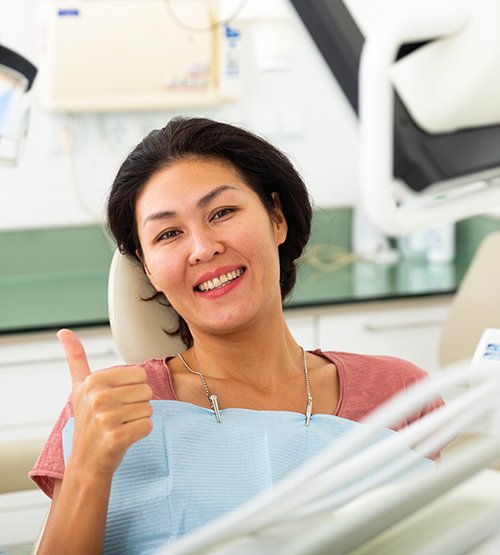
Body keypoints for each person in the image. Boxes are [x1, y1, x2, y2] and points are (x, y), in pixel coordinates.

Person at [30, 117, 443, 554]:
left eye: (222, 212)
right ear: (147, 267)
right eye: (169, 233)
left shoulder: (400, 392)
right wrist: (88, 468)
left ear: (277, 219)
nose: (203, 247)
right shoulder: (107, 410)